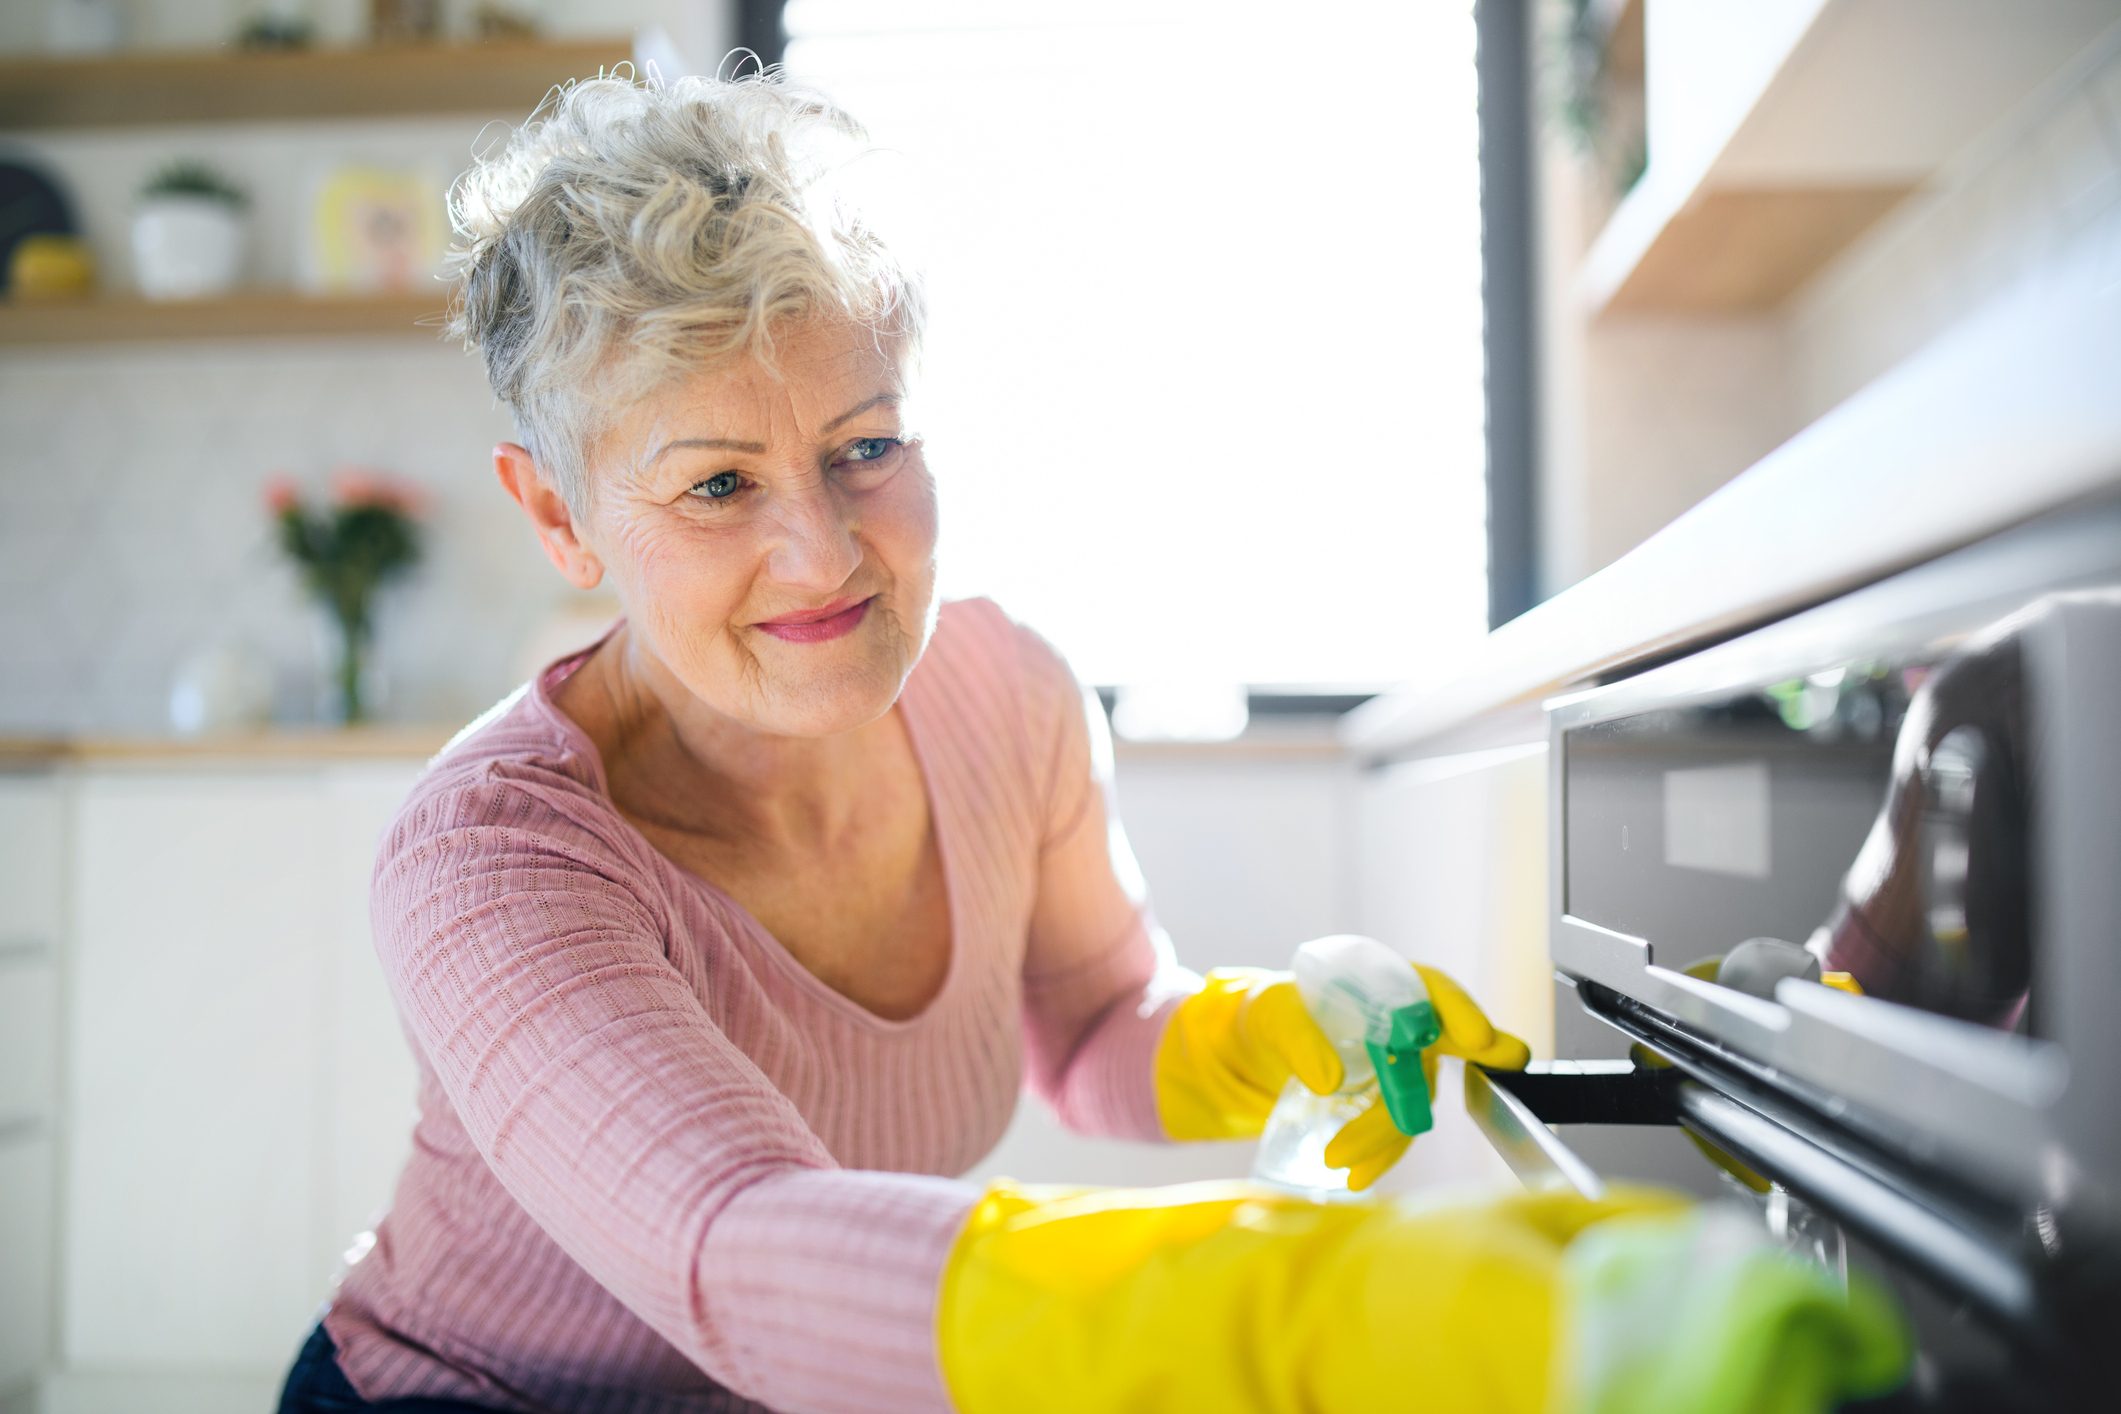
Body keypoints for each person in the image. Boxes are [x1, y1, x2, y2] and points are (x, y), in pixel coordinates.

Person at [276, 68, 1908, 1414]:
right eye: (715, 485)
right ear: (558, 513)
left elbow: (1094, 1020)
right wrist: (1323, 1316)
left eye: (864, 448)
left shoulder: (1006, 694)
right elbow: (737, 1247)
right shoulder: (488, 859)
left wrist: (1264, 1026)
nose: (825, 554)